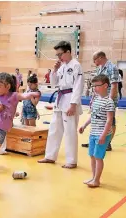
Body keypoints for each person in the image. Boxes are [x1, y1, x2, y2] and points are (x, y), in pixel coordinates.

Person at [38, 41, 84, 169]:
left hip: (70, 100)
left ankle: (72, 160)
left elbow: (78, 86)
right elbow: (54, 83)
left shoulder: (76, 65)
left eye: (60, 54)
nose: (59, 57)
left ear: (68, 52)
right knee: (54, 129)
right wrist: (55, 70)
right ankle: (50, 156)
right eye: (57, 55)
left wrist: (73, 104)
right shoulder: (62, 66)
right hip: (60, 99)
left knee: (70, 131)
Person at [79, 75, 114, 188]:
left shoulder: (109, 102)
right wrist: (84, 125)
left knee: (98, 157)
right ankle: (93, 177)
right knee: (92, 156)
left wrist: (103, 135)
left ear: (105, 86)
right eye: (94, 86)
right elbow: (93, 116)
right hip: (93, 133)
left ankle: (97, 180)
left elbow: (109, 120)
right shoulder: (96, 100)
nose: (94, 88)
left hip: (102, 134)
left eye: (97, 86)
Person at [81, 51, 120, 151]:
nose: (94, 62)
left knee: (110, 120)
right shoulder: (99, 69)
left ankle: (107, 143)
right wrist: (94, 98)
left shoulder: (112, 67)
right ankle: (94, 140)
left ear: (101, 57)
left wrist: (109, 102)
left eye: (95, 59)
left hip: (108, 99)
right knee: (97, 118)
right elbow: (96, 85)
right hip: (99, 98)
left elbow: (114, 86)